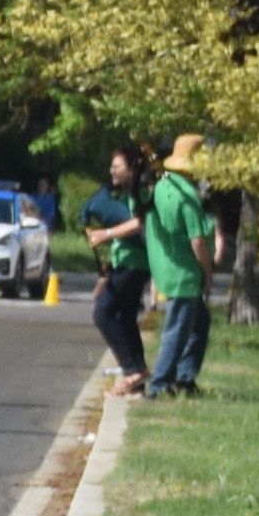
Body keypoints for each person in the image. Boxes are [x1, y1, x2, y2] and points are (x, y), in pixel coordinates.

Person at [145, 133, 221, 395]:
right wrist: (207, 273)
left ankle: (185, 377)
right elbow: (198, 241)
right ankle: (160, 384)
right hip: (186, 272)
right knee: (177, 329)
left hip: (168, 265)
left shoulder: (164, 186)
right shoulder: (188, 196)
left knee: (200, 323)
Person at [84, 142, 153, 395]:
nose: (111, 171)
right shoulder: (125, 193)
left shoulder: (140, 194)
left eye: (117, 166)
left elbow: (139, 223)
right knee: (124, 317)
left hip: (136, 263)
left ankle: (131, 369)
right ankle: (137, 370)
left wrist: (106, 233)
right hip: (125, 262)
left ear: (132, 168)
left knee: (103, 313)